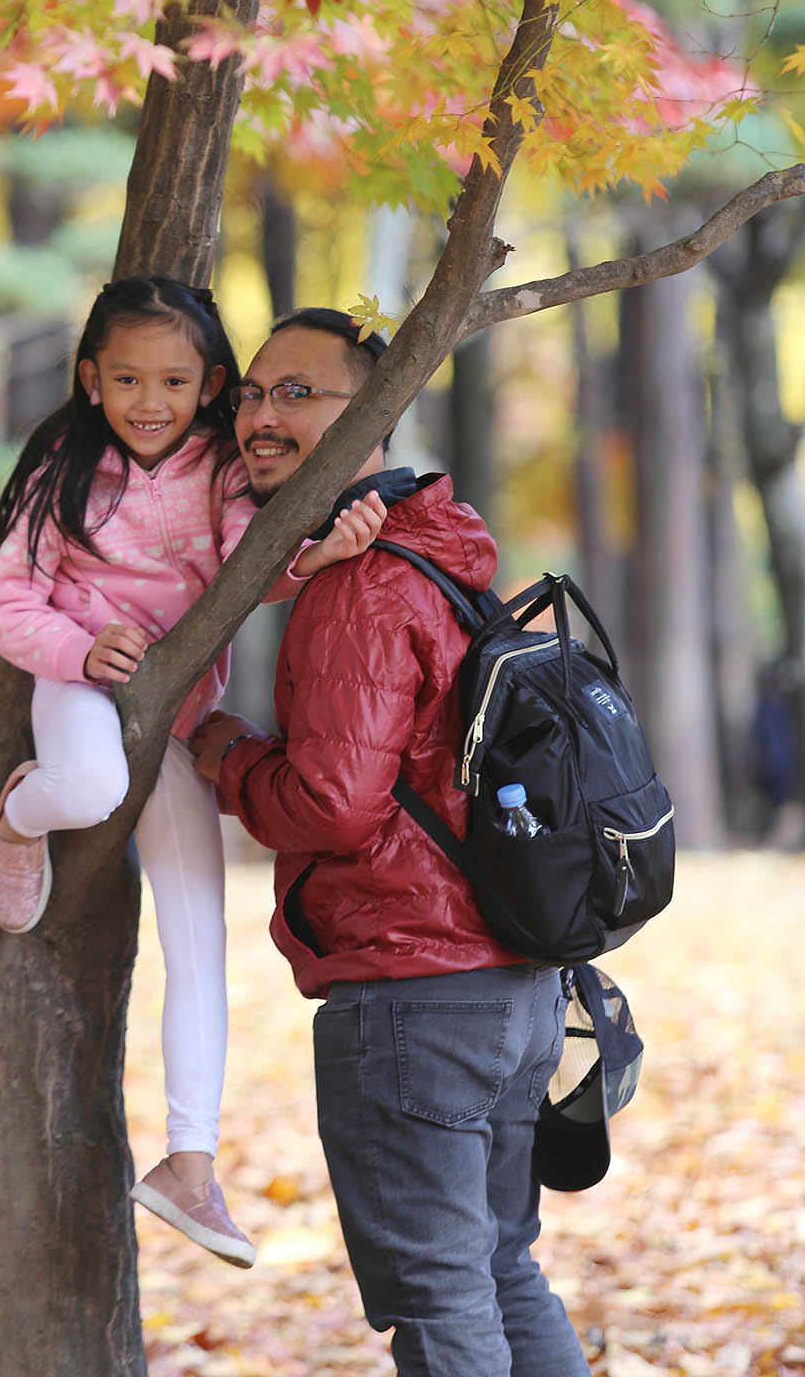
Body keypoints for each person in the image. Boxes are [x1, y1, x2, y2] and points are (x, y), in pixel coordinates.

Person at [190, 307, 591, 1376]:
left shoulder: (361, 586)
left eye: (298, 394)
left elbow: (331, 804)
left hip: (414, 989)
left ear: (374, 412)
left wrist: (223, 753)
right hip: (509, 983)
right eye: (253, 394)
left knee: (442, 1295)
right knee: (499, 1271)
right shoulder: (438, 560)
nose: (261, 416)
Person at [0, 277, 385, 1269]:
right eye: (124, 378)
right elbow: (3, 600)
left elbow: (256, 566)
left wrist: (319, 554)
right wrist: (77, 650)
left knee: (198, 936)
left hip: (177, 711)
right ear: (90, 379)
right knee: (87, 789)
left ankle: (189, 1164)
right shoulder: (63, 469)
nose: (147, 399)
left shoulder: (222, 471)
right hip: (82, 688)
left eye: (170, 378)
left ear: (208, 382)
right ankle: (18, 816)